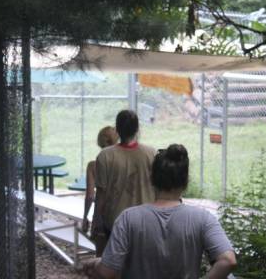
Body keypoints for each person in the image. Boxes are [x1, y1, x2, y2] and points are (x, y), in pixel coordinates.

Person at [83, 144, 237, 279]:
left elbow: (107, 272)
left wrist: (95, 263)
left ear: (152, 179)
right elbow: (228, 261)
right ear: (186, 181)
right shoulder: (202, 218)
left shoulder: (128, 218)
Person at [94, 110, 156, 247]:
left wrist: (96, 221)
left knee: (116, 266)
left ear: (117, 129)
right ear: (137, 128)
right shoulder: (151, 153)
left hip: (115, 222)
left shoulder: (105, 156)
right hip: (146, 221)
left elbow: (101, 194)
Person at [82, 126, 119, 255]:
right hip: (121, 213)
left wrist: (85, 217)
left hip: (102, 217)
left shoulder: (93, 166)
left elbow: (90, 196)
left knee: (101, 258)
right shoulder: (124, 162)